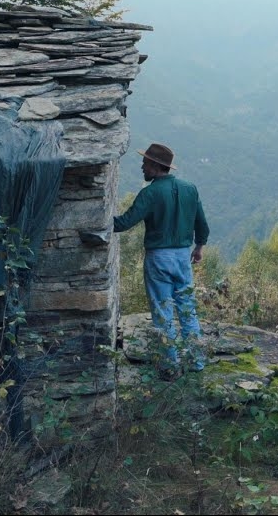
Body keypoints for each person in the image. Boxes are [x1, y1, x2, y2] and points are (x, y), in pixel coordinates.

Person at [114, 142, 210, 378]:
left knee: (162, 311)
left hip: (159, 258)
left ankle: (170, 366)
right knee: (187, 308)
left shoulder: (150, 193)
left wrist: (100, 221)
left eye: (146, 163)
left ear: (156, 167)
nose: (142, 166)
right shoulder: (190, 189)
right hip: (182, 257)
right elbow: (202, 224)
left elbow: (125, 222)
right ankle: (196, 361)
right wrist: (198, 247)